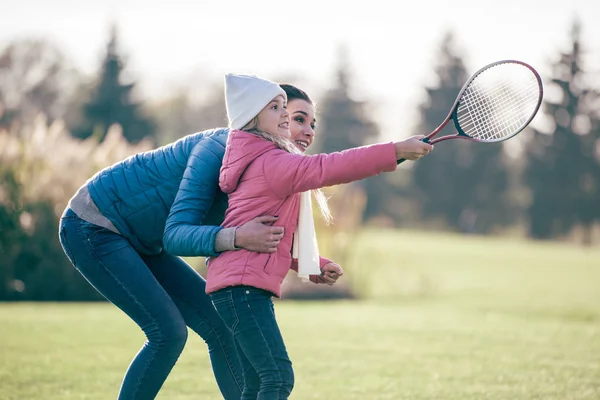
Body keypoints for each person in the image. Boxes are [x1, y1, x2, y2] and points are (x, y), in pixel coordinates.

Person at [58, 83, 343, 400]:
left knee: (221, 327)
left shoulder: (265, 166)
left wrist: (310, 264)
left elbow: (263, 232)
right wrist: (234, 237)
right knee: (167, 333)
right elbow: (177, 233)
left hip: (145, 242)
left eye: (312, 124)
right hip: (95, 224)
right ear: (258, 115)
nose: (306, 132)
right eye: (296, 118)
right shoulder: (217, 149)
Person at [206, 73, 433, 400]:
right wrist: (395, 150)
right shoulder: (272, 161)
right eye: (280, 110)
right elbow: (332, 167)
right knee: (278, 378)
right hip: (242, 290)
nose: (291, 120)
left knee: (257, 384)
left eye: (293, 113)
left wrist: (313, 265)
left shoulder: (260, 159)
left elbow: (276, 239)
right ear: (252, 117)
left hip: (236, 288)